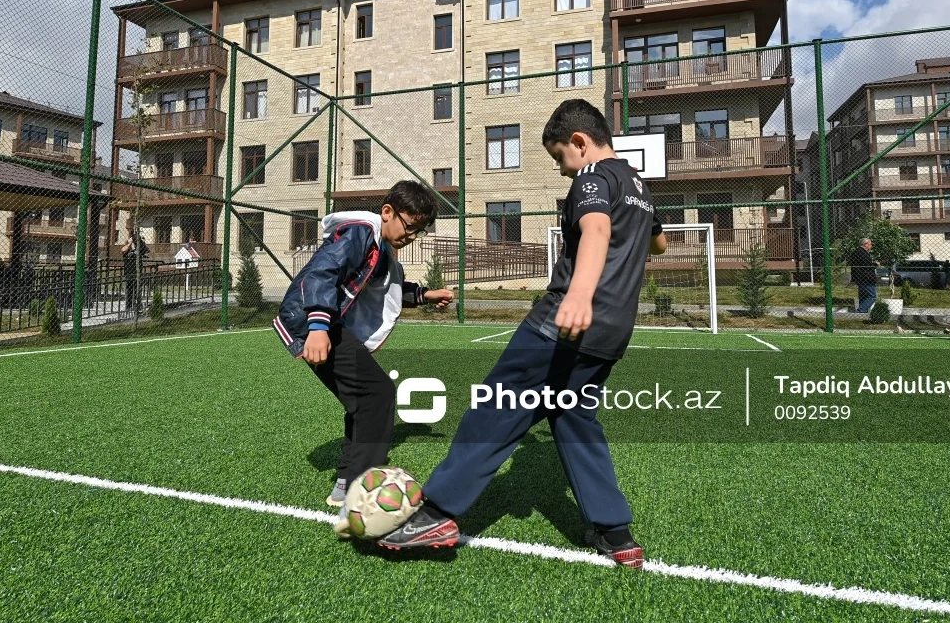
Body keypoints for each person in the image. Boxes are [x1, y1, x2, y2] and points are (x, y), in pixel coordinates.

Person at [377, 99, 668, 568]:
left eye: (560, 158)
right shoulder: (637, 184)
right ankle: (615, 532)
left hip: (564, 323)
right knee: (574, 420)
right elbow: (659, 241)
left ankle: (437, 513)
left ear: (580, 142)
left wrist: (579, 294)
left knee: (496, 406)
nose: (561, 170)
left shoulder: (592, 178)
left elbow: (594, 229)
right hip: (613, 333)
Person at [272, 181, 455, 508]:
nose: (411, 236)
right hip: (313, 323)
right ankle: (362, 491)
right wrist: (317, 327)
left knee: (364, 398)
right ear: (387, 212)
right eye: (410, 227)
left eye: (419, 232)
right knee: (376, 393)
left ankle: (347, 482)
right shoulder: (359, 234)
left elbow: (389, 288)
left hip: (328, 324)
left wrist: (427, 295)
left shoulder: (381, 248)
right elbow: (320, 274)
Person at [121, 229, 149, 312]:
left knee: (137, 289)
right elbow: (123, 250)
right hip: (129, 271)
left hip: (137, 271)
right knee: (129, 289)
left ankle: (137, 305)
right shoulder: (127, 248)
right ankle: (129, 306)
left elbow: (147, 251)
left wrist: (143, 242)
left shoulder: (140, 247)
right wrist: (130, 243)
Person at [851, 237, 880, 313]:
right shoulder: (863, 253)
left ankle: (862, 311)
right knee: (872, 296)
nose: (871, 246)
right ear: (865, 244)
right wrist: (875, 264)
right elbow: (867, 266)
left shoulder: (856, 252)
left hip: (859, 277)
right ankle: (861, 310)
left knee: (863, 296)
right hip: (866, 278)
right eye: (870, 244)